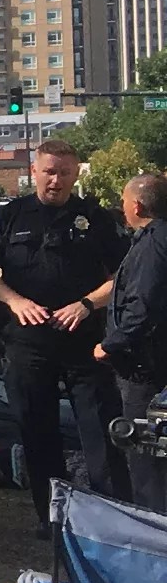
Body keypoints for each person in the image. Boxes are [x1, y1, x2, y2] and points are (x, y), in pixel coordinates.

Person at [0, 143, 127, 534]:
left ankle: (108, 523)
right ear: (34, 171)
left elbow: (121, 277)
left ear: (75, 175)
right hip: (27, 342)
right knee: (37, 433)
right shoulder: (11, 215)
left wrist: (86, 305)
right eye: (49, 172)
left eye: (64, 173)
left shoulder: (95, 218)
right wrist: (14, 300)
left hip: (84, 341)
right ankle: (53, 518)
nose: (56, 180)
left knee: (100, 432)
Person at [99, 173, 167, 514]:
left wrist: (111, 344)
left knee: (145, 454)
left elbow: (143, 305)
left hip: (145, 370)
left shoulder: (153, 245)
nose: (122, 207)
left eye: (124, 201)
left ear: (137, 205)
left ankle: (153, 527)